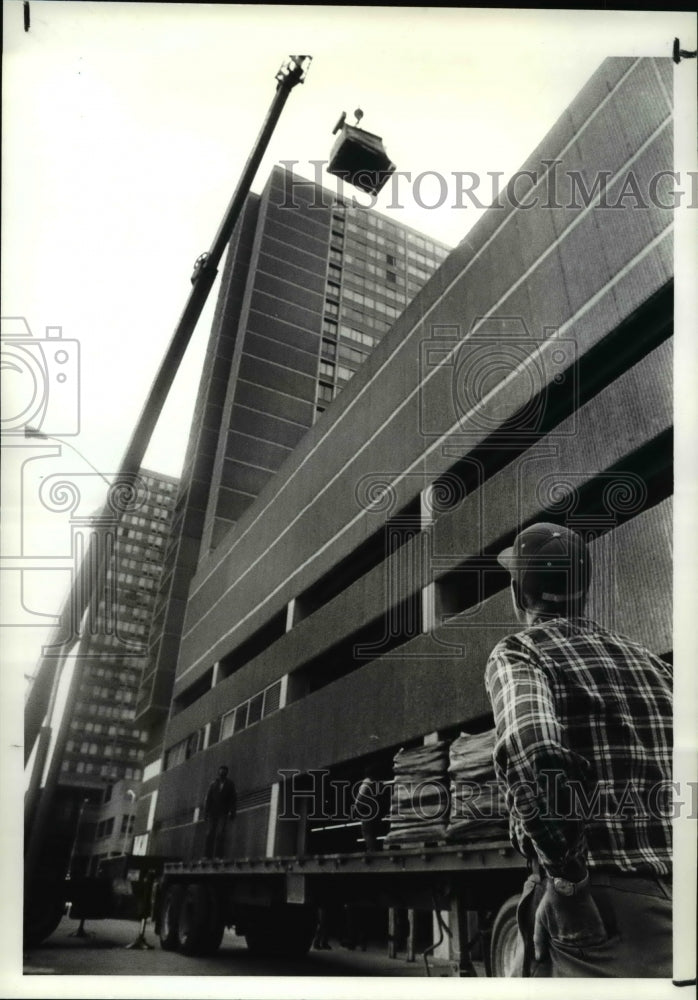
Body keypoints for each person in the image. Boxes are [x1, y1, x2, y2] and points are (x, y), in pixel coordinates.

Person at [484, 522, 672, 978]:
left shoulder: (520, 652)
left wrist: (567, 882)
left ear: (517, 593)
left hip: (601, 911)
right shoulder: (654, 666)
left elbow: (533, 751)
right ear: (583, 591)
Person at [203, 765, 237, 859]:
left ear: (226, 773)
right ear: (219, 773)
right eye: (221, 772)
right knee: (210, 833)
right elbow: (208, 799)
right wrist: (206, 812)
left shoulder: (230, 784)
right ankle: (207, 855)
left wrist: (232, 811)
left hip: (223, 812)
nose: (222, 774)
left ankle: (218, 855)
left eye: (224, 772)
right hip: (212, 812)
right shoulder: (213, 784)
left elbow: (233, 799)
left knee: (220, 833)